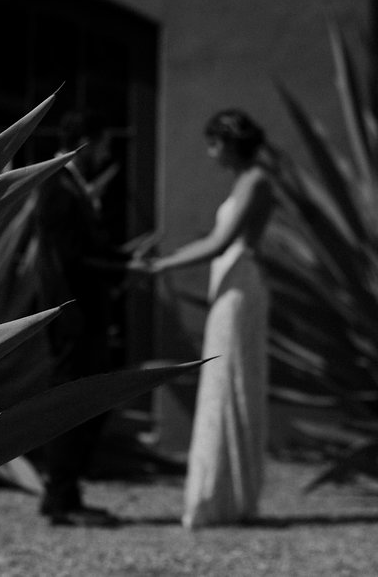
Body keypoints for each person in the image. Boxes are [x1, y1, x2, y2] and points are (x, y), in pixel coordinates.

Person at [130, 108, 275, 528]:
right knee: (223, 382)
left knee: (231, 380)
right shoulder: (244, 181)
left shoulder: (256, 181)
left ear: (229, 143)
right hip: (231, 282)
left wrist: (164, 264)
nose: (211, 154)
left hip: (239, 285)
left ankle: (222, 496)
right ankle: (221, 495)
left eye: (213, 144)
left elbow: (219, 243)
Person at [33, 109, 124, 527]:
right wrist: (123, 270)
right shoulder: (58, 187)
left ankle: (65, 493)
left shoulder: (71, 186)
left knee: (87, 401)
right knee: (71, 403)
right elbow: (70, 260)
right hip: (73, 318)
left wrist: (121, 262)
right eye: (104, 145)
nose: (107, 155)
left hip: (83, 316)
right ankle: (60, 497)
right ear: (86, 142)